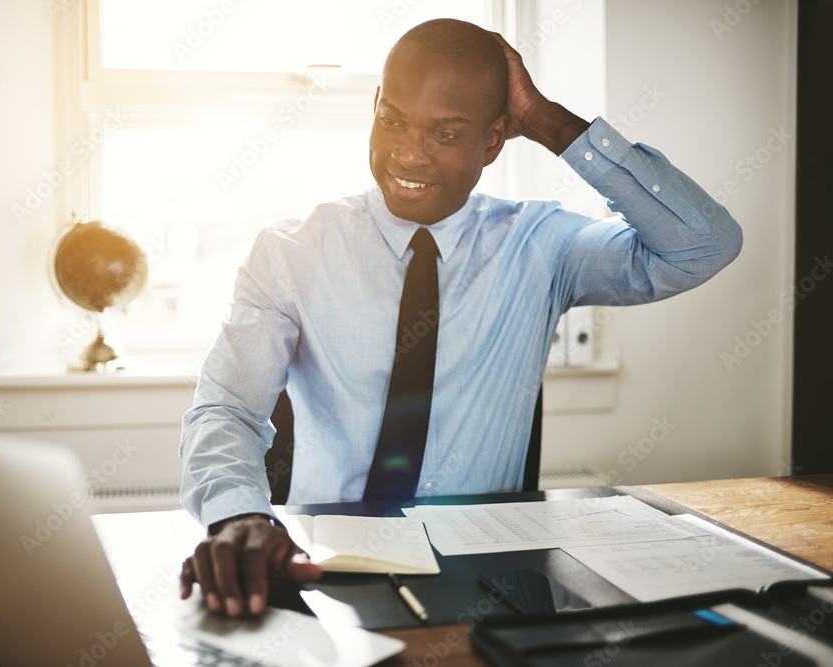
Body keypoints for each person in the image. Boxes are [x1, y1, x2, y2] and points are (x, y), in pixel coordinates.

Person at [178, 19, 742, 617]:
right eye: (392, 119)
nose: (407, 153)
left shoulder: (540, 245)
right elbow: (226, 410)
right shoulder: (291, 251)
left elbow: (704, 246)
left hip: (491, 585)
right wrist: (240, 516)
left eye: (445, 133)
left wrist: (550, 121)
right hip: (325, 573)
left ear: (495, 140)